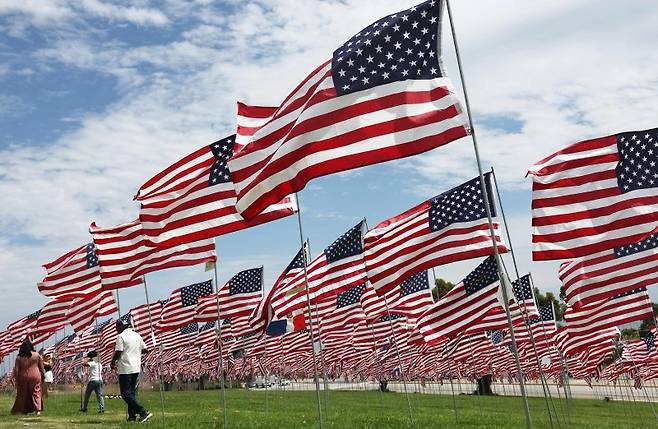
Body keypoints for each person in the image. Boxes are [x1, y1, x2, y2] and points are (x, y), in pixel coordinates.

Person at [110, 319, 152, 423]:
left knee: (125, 394)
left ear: (121, 327)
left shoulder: (121, 336)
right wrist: (135, 350)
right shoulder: (137, 335)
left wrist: (112, 362)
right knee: (131, 393)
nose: (116, 330)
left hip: (126, 368)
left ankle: (143, 412)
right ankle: (132, 417)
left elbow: (118, 352)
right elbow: (145, 349)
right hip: (136, 368)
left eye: (117, 328)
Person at [11, 339, 45, 415]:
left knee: (23, 393)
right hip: (35, 375)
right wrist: (43, 375)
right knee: (36, 392)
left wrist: (16, 380)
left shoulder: (19, 357)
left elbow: (16, 370)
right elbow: (41, 367)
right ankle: (38, 410)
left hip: (23, 376)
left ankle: (23, 410)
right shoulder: (36, 355)